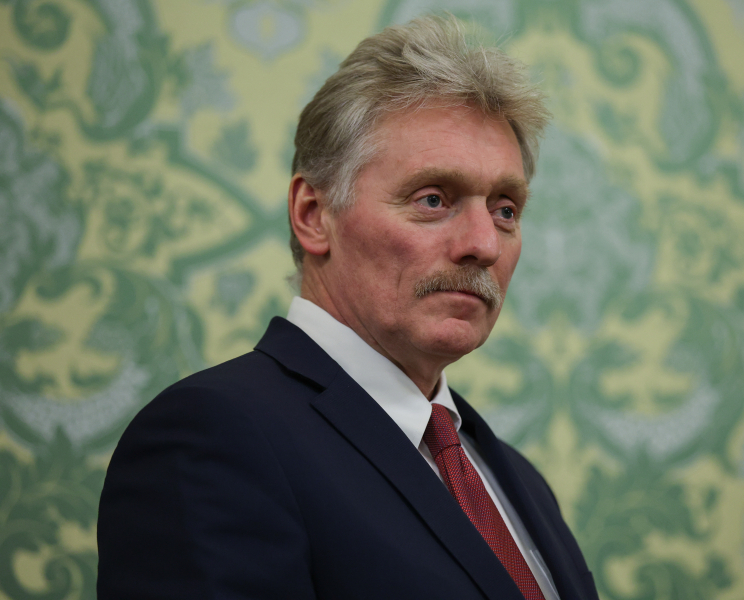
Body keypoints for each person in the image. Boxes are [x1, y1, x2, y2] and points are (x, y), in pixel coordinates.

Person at [97, 15, 598, 600]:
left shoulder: (519, 481)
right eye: (433, 199)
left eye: (505, 209)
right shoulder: (210, 438)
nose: (484, 244)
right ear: (313, 215)